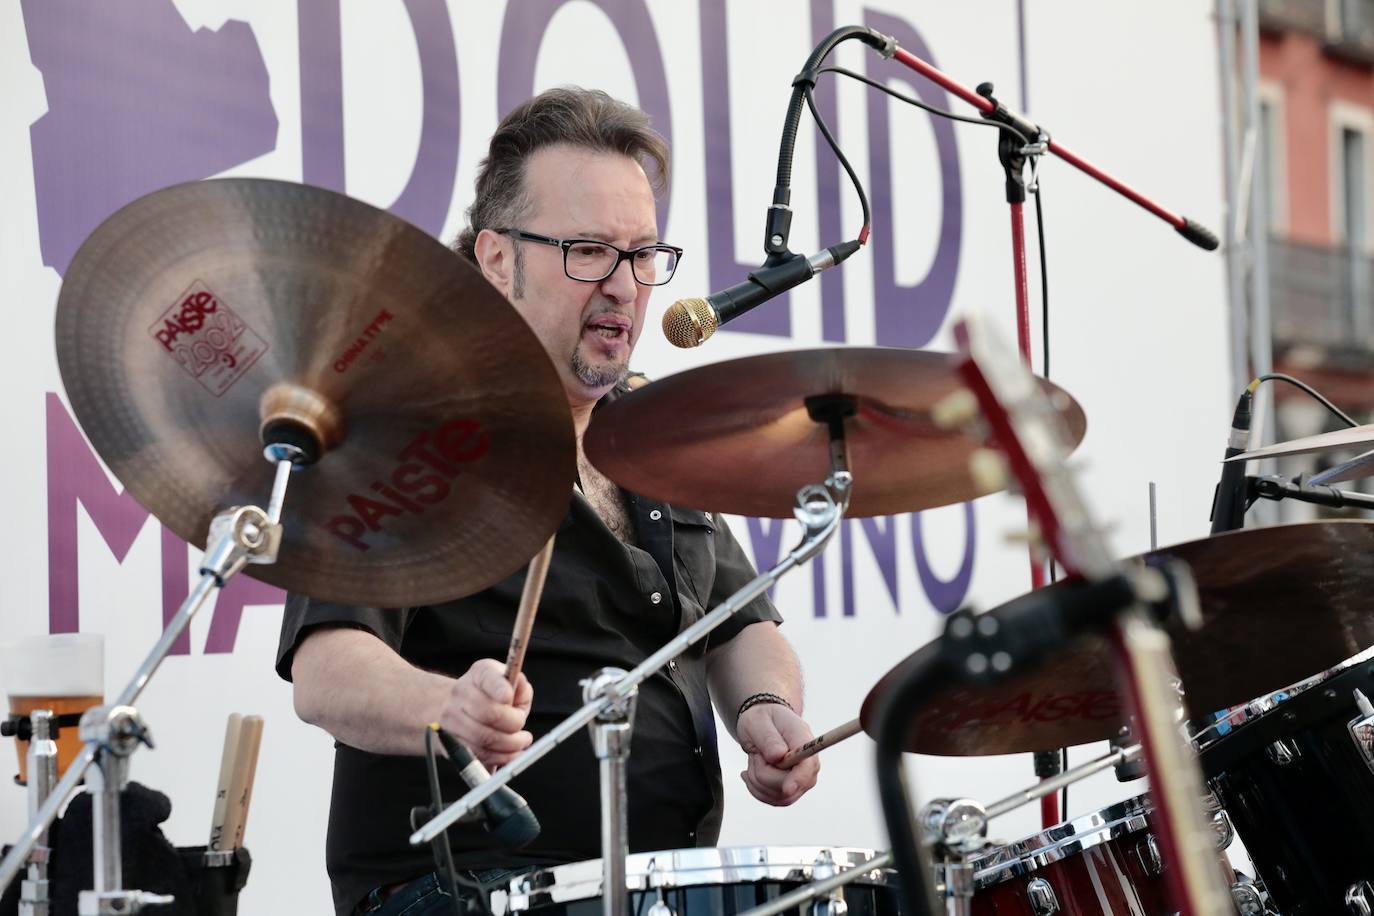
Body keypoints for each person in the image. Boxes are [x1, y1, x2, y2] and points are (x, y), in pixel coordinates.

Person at [277, 86, 820, 916]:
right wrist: (446, 708)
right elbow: (325, 671)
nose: (625, 288)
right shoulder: (397, 432)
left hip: (651, 883)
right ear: (498, 260)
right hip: (464, 887)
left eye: (642, 255)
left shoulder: (647, 429)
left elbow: (739, 622)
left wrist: (765, 708)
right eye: (590, 253)